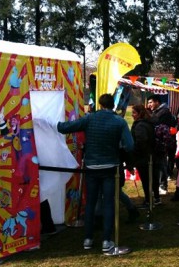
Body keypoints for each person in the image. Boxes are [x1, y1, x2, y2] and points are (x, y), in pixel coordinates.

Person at [57, 93, 134, 253]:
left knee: (90, 204)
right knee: (108, 203)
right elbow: (130, 145)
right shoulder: (119, 121)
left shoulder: (89, 118)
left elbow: (64, 128)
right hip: (110, 167)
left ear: (100, 104)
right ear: (113, 105)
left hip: (91, 167)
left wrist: (50, 122)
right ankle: (106, 240)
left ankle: (88, 239)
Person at [147, 94, 177, 198]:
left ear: (157, 102)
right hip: (157, 143)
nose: (149, 105)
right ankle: (160, 185)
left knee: (161, 165)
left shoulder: (163, 112)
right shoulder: (156, 112)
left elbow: (155, 123)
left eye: (150, 102)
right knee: (159, 165)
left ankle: (163, 186)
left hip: (162, 143)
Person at [129, 104, 157, 208]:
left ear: (140, 113)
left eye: (134, 113)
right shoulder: (146, 123)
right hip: (147, 156)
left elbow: (141, 142)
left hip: (143, 157)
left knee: (146, 180)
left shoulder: (140, 125)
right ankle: (149, 200)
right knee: (148, 180)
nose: (132, 115)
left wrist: (135, 152)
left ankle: (149, 201)